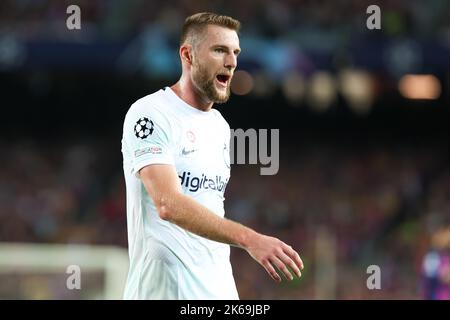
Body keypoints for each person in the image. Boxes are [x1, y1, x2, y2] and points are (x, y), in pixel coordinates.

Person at [121, 12, 303, 300]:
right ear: (188, 55)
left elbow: (208, 207)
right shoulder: (150, 113)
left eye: (235, 53)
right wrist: (250, 239)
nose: (231, 62)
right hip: (166, 291)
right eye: (220, 50)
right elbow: (168, 204)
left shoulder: (219, 126)